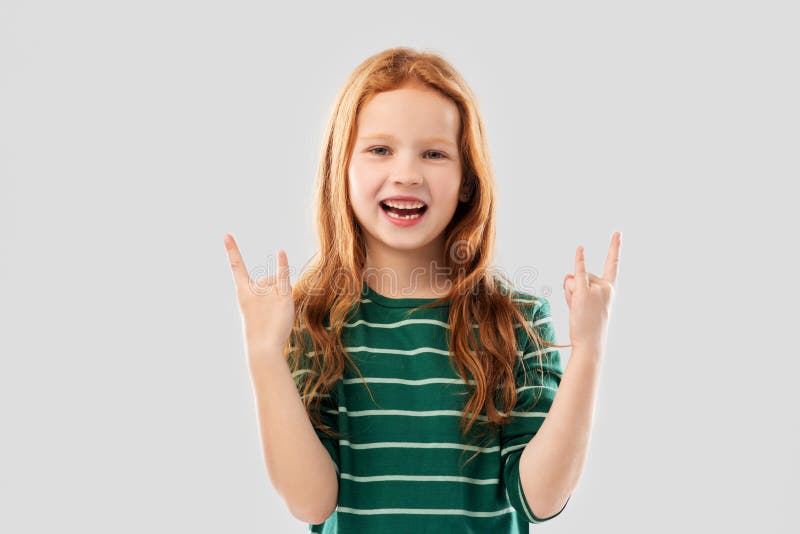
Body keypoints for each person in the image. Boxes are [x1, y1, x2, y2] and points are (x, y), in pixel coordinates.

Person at [224, 46, 622, 533]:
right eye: (379, 149)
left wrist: (589, 351)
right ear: (341, 170)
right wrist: (265, 355)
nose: (407, 173)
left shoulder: (517, 319)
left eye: (434, 153)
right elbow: (312, 503)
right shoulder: (311, 320)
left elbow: (538, 498)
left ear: (467, 180)